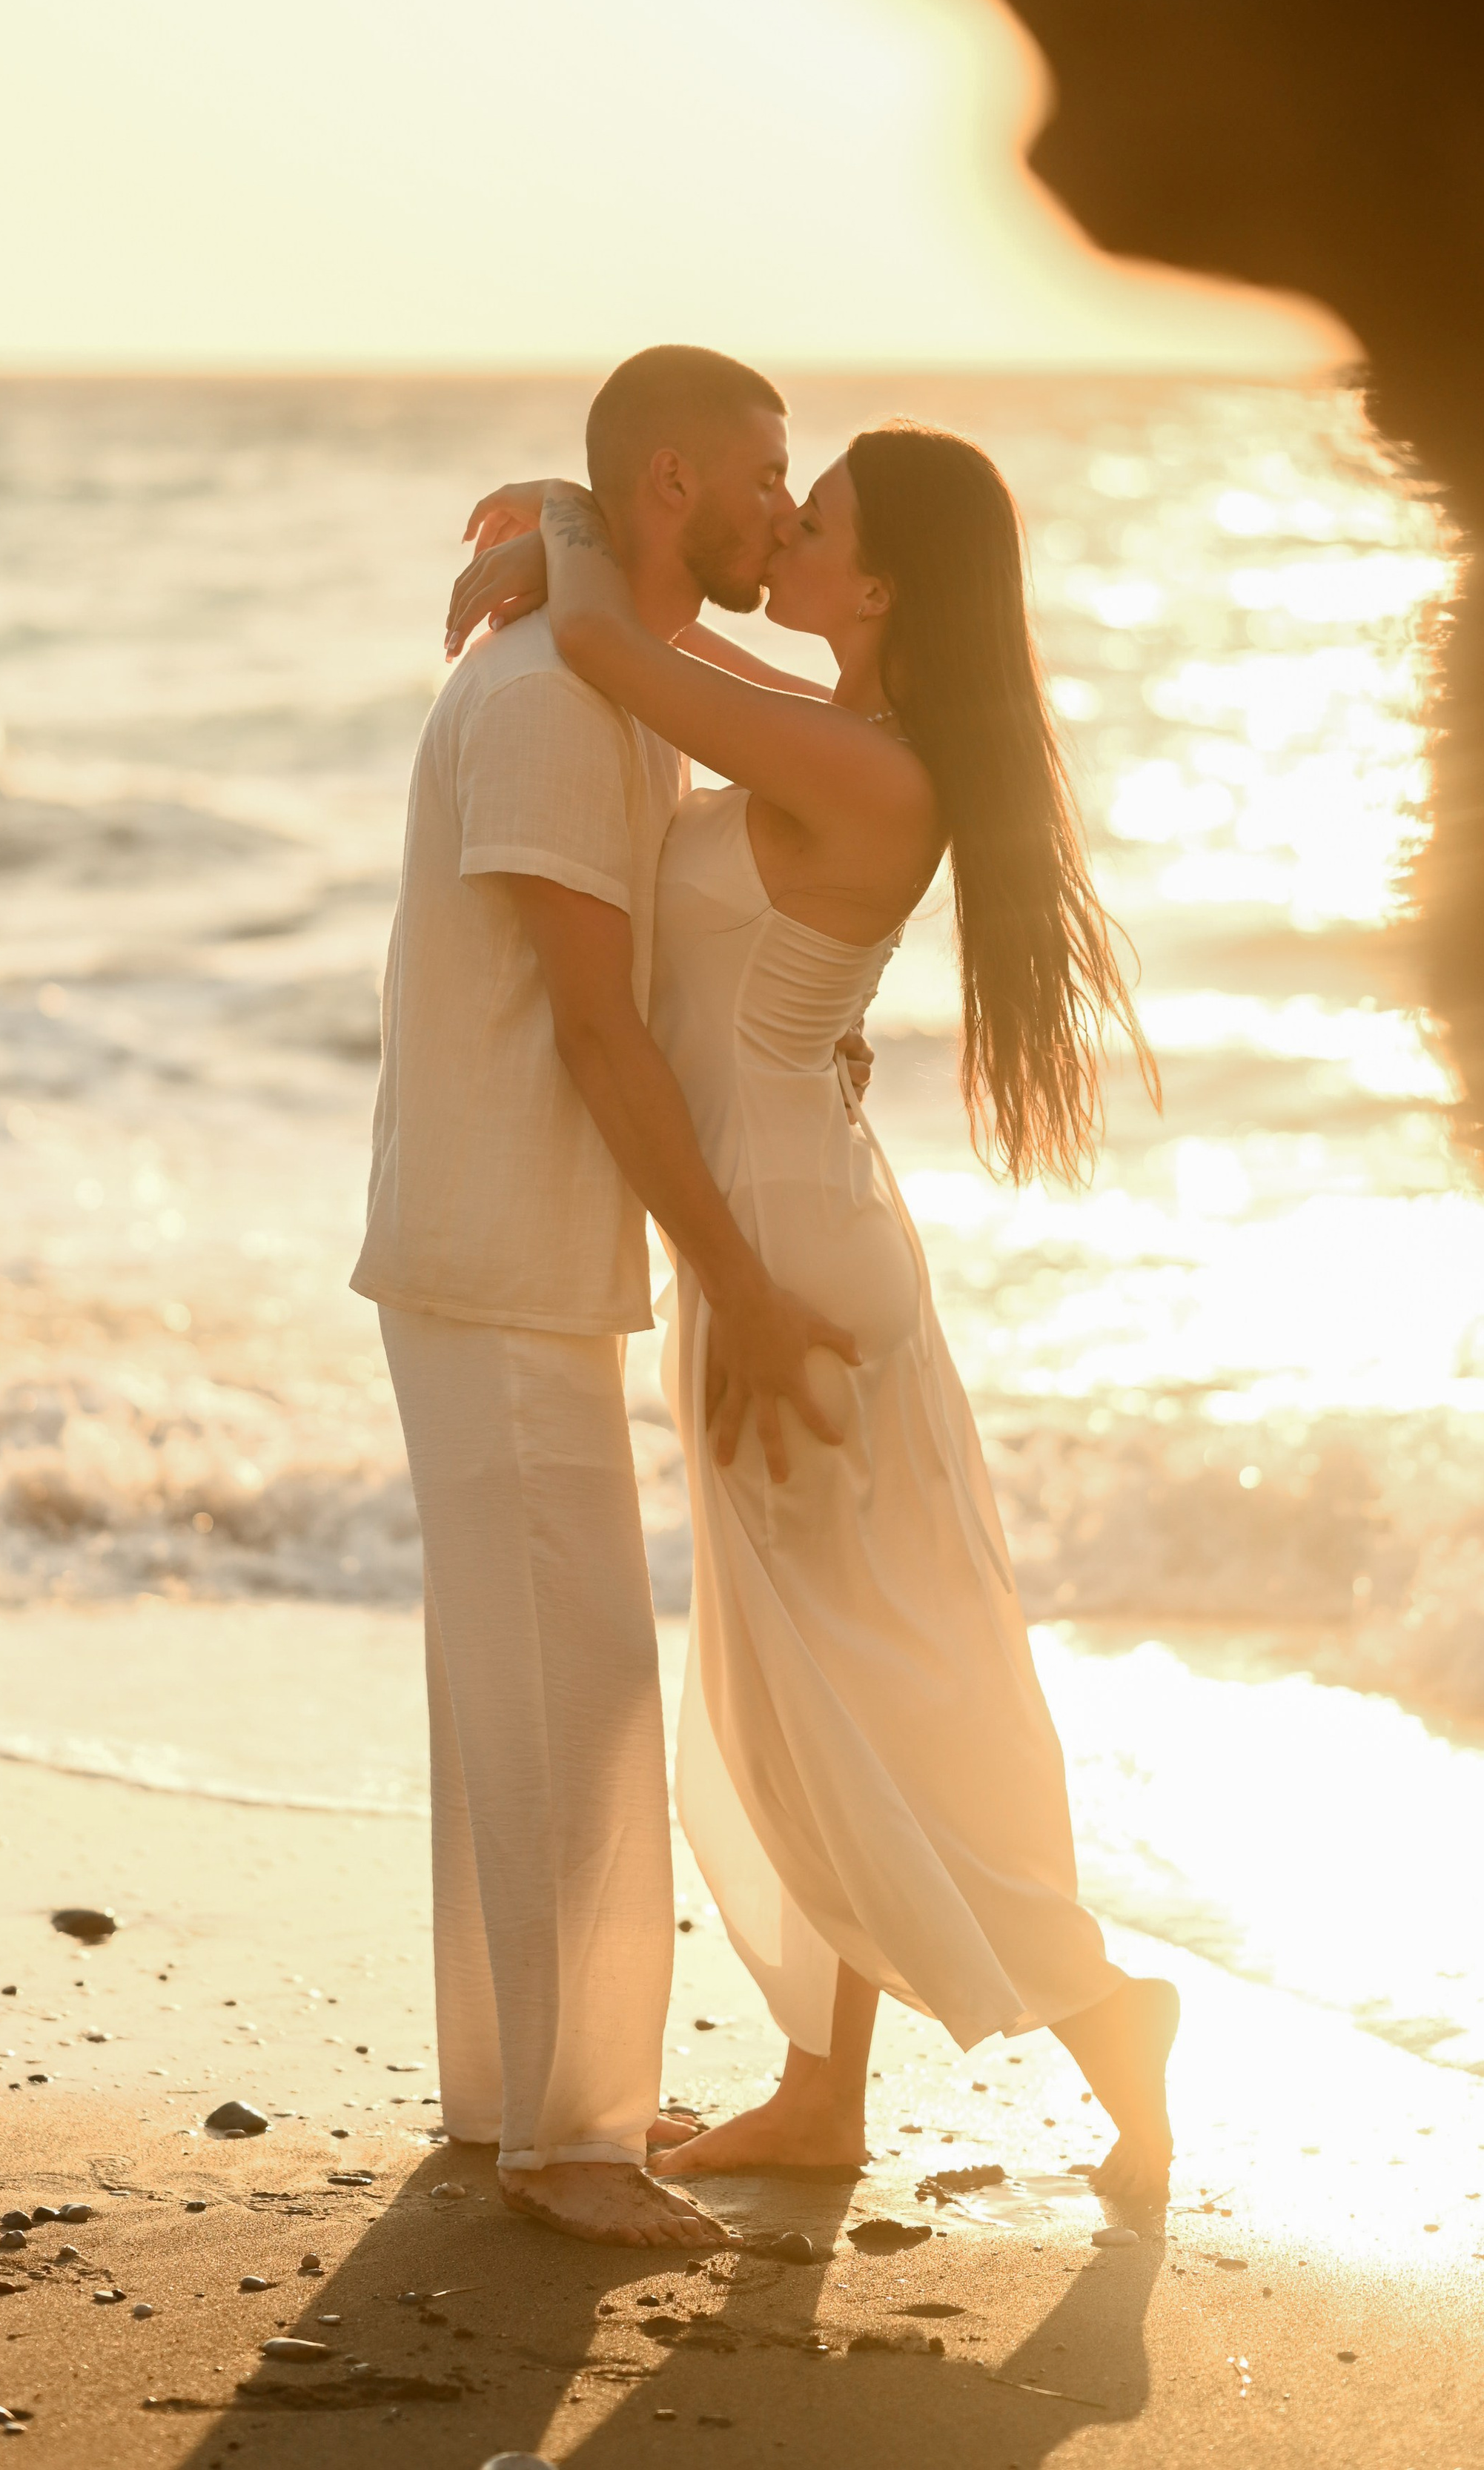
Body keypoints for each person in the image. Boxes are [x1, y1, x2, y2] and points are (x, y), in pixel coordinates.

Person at [448, 423, 1181, 2203]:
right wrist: (584, 541)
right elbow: (677, 654)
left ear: (878, 586)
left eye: (821, 513)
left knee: (851, 1693)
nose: (789, 525)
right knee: (807, 1685)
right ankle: (825, 2095)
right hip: (782, 1226)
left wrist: (558, 523)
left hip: (779, 1259)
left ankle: (1094, 2006)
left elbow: (630, 652)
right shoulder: (853, 740)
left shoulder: (876, 774)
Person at [352, 345, 861, 2248]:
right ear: (669, 482)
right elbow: (584, 1020)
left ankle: (509, 2099)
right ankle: (572, 2144)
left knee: (515, 1667)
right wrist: (728, 1264)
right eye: (762, 469)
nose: (780, 505)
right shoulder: (562, 698)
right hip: (497, 1250)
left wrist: (551, 520)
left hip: (486, 1243)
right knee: (572, 1685)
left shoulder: (598, 667)